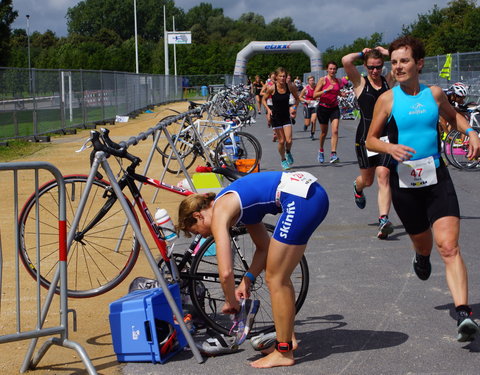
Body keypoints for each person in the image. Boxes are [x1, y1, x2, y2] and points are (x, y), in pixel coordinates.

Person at [366, 35, 480, 342]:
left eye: (404, 61)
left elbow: (452, 117)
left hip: (437, 179)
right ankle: (420, 256)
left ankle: (464, 313)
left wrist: (470, 132)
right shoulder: (387, 99)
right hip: (405, 184)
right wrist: (389, 150)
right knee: (425, 243)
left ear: (418, 64)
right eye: (395, 62)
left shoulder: (434, 93)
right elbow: (370, 140)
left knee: (449, 246)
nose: (398, 67)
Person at [177, 170, 329, 368]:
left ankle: (283, 352)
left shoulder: (220, 212)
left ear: (198, 216)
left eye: (197, 231)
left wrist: (231, 301)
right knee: (280, 276)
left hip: (301, 200)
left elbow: (225, 272)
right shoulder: (237, 207)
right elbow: (264, 248)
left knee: (276, 279)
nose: (204, 236)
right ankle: (286, 338)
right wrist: (247, 279)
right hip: (310, 195)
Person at [342, 47, 396, 239]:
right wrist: (361, 53)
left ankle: (383, 220)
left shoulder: (388, 81)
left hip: (386, 137)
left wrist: (387, 51)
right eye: (371, 67)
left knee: (384, 175)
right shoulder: (359, 82)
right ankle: (357, 188)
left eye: (379, 67)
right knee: (368, 180)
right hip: (365, 138)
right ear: (365, 66)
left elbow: (407, 59)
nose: (375, 71)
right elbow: (346, 60)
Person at [262, 67, 300, 170]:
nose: (282, 78)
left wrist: (294, 108)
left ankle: (287, 152)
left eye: (284, 76)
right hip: (276, 117)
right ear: (277, 77)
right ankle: (283, 160)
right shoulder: (272, 88)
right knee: (281, 141)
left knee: (289, 140)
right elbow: (263, 99)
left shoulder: (290, 87)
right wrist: (268, 110)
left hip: (286, 116)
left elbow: (297, 98)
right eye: (280, 76)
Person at [313, 61, 346, 163]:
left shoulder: (337, 81)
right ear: (327, 69)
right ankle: (321, 150)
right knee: (324, 132)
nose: (332, 70)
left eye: (334, 69)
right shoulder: (323, 80)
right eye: (330, 69)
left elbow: (336, 91)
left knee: (335, 130)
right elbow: (315, 95)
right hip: (323, 108)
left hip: (334, 108)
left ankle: (333, 154)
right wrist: (325, 90)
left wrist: (341, 94)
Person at [299, 75, 318, 140]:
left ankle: (312, 134)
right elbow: (300, 97)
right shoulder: (305, 89)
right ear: (308, 81)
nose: (312, 81)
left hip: (315, 104)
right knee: (308, 123)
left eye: (313, 80)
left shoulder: (317, 87)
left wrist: (319, 97)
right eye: (310, 80)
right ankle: (306, 125)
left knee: (314, 120)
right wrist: (306, 100)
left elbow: (321, 94)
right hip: (307, 105)